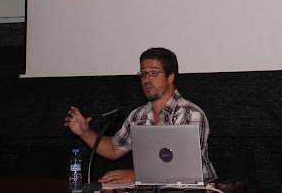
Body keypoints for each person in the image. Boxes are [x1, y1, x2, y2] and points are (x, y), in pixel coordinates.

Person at [64, 47, 217, 184]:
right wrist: (84, 133)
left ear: (170, 77)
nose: (146, 79)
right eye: (143, 73)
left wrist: (137, 175)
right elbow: (114, 149)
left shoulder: (190, 114)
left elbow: (185, 166)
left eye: (153, 73)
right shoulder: (138, 116)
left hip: (195, 188)